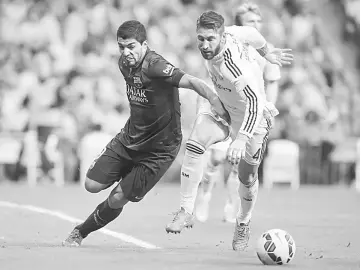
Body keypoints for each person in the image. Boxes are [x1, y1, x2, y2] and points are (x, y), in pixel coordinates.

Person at [62, 20, 228, 247]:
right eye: (121, 47)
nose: (126, 52)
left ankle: (80, 232)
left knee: (117, 198)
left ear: (144, 44)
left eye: (131, 46)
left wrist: (214, 99)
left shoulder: (155, 65)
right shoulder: (123, 63)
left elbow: (191, 81)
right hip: (130, 138)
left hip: (159, 149)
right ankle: (127, 176)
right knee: (91, 185)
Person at [165, 11, 293, 252]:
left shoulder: (232, 66)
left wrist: (241, 139)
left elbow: (254, 102)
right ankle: (186, 211)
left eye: (210, 39)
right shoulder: (235, 31)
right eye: (200, 38)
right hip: (223, 106)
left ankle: (243, 222)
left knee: (247, 177)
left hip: (251, 117)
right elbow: (254, 34)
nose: (204, 45)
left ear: (222, 36)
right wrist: (266, 51)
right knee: (195, 143)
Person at [195, 2, 282, 224]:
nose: (256, 24)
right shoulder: (225, 42)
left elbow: (269, 83)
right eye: (251, 20)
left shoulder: (263, 49)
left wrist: (267, 112)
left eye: (258, 20)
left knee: (240, 167)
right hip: (223, 106)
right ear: (238, 24)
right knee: (216, 157)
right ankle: (204, 197)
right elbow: (210, 79)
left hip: (249, 112)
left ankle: (232, 207)